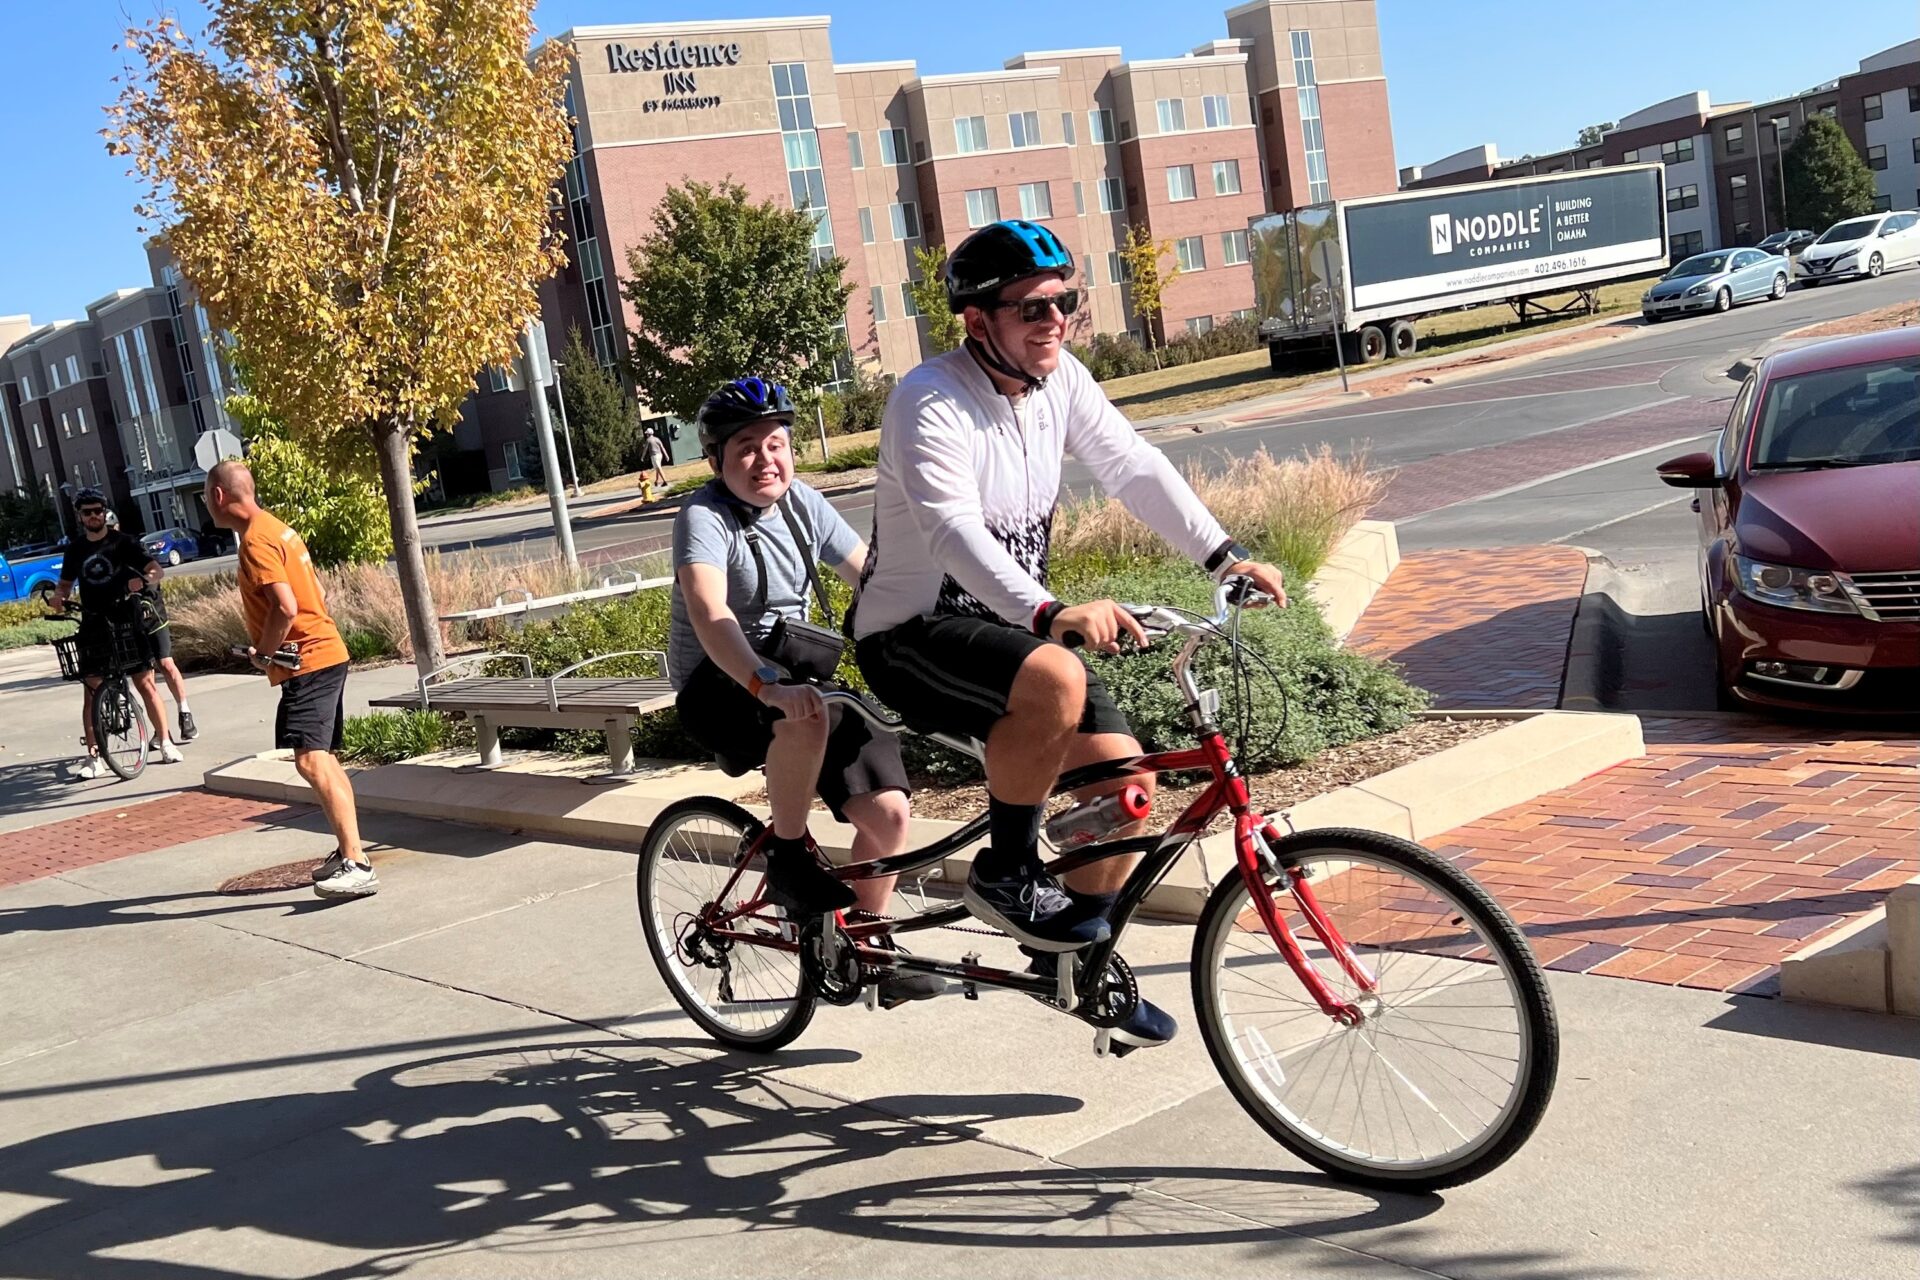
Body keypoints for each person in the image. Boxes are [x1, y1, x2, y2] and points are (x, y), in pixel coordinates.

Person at [852, 220, 1290, 1051]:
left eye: (1066, 302)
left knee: (1128, 789)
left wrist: (1222, 555)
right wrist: (1049, 613)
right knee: (1056, 674)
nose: (1054, 319)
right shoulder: (928, 399)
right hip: (911, 632)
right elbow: (950, 531)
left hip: (1015, 636)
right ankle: (1005, 871)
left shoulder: (1060, 382)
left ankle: (1073, 967)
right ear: (978, 322)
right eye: (1031, 307)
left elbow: (1132, 466)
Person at [669, 376, 941, 1007]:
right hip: (718, 680)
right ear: (717, 459)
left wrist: (943, 627)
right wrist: (763, 683)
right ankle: (789, 860)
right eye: (746, 448)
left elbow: (871, 578)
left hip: (795, 676)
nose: (766, 460)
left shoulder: (801, 504)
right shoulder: (703, 518)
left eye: (776, 444)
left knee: (891, 814)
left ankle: (867, 947)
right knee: (806, 716)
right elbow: (712, 614)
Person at [204, 460, 374, 900]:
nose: (207, 505)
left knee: (310, 760)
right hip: (324, 652)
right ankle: (349, 851)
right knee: (321, 758)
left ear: (219, 497)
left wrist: (263, 650)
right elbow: (318, 592)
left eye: (206, 496)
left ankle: (356, 863)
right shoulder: (279, 529)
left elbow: (285, 606)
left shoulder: (255, 542)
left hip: (310, 661)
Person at [51, 489, 185, 778]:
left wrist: (144, 581)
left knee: (145, 684)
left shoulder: (123, 543)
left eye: (98, 510)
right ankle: (94, 757)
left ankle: (165, 741)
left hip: (126, 619)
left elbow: (155, 570)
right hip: (93, 622)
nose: (93, 516)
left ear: (105, 512)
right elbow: (64, 584)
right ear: (80, 516)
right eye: (87, 512)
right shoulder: (74, 549)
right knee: (91, 691)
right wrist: (59, 597)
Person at [105, 510, 197, 743]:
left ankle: (184, 711)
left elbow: (155, 573)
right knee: (145, 677)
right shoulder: (104, 556)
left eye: (112, 528)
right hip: (128, 621)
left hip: (152, 614)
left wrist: (144, 583)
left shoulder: (134, 547)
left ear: (118, 527)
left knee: (165, 663)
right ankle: (160, 730)